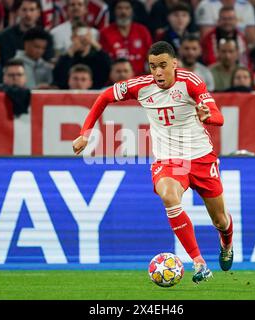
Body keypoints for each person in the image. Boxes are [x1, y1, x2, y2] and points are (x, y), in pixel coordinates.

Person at [72, 41, 234, 283]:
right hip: (168, 160)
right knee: (169, 195)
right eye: (153, 66)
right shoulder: (142, 86)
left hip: (201, 158)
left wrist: (208, 116)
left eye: (163, 65)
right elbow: (104, 96)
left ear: (174, 64)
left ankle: (227, 243)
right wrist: (85, 133)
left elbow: (218, 116)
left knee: (220, 220)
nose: (157, 72)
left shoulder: (191, 81)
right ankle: (198, 262)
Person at [52, 20, 111, 89]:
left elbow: (108, 70)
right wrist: (71, 51)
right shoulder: (66, 58)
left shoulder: (98, 57)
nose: (82, 39)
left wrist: (94, 44)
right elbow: (59, 79)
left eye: (84, 36)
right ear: (72, 38)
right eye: (78, 36)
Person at [99, 0, 152, 75]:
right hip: (114, 80)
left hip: (139, 79)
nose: (123, 12)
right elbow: (103, 58)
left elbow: (151, 55)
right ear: (114, 11)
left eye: (127, 8)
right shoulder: (105, 33)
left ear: (132, 11)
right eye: (119, 8)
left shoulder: (142, 31)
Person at [0, 0, 54, 65]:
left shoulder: (46, 37)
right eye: (24, 10)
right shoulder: (5, 36)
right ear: (17, 12)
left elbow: (47, 63)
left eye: (32, 10)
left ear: (38, 12)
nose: (28, 14)